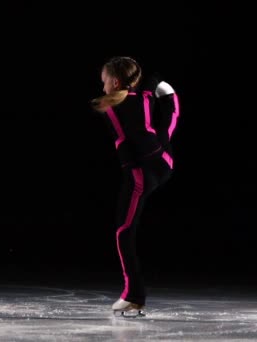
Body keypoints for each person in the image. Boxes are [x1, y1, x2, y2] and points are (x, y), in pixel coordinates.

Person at [90, 56, 180, 316]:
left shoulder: (114, 106)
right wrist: (159, 87)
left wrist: (132, 169)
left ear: (115, 81)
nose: (102, 86)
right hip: (164, 163)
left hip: (142, 172)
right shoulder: (142, 98)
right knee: (164, 126)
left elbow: (129, 142)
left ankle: (134, 295)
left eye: (104, 81)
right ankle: (134, 295)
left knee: (123, 232)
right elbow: (168, 117)